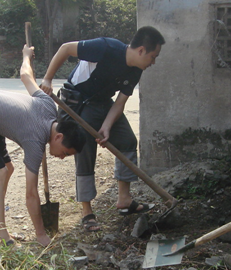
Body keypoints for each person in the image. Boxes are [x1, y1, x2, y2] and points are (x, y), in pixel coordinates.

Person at [0, 43, 86, 246]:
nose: (61, 157)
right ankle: (0, 233)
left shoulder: (49, 106)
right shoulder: (35, 143)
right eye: (65, 153)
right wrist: (41, 234)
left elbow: (26, 76)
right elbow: (31, 194)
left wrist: (26, 55)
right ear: (59, 137)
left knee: (7, 168)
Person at [39, 26, 166, 232]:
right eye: (153, 56)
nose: (153, 62)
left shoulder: (136, 70)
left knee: (127, 140)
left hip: (102, 104)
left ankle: (124, 200)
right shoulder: (105, 47)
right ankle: (87, 212)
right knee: (85, 148)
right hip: (77, 102)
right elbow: (65, 48)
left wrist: (107, 127)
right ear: (141, 50)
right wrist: (47, 78)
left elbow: (119, 102)